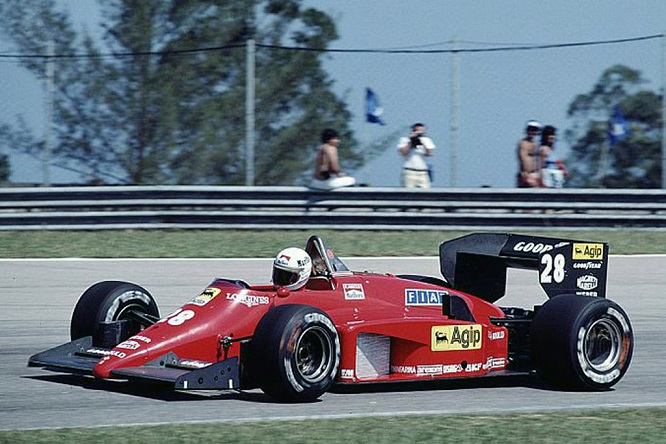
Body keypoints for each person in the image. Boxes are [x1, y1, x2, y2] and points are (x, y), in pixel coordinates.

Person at [397, 123, 435, 188]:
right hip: (409, 172)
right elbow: (403, 153)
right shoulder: (405, 140)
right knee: (408, 194)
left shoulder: (427, 140)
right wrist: (411, 142)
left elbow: (429, 153)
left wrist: (422, 142)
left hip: (423, 173)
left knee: (426, 193)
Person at [516, 120, 543, 188]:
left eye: (534, 130)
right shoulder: (523, 144)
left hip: (535, 175)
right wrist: (526, 174)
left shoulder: (537, 145)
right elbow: (523, 159)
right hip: (526, 175)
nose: (532, 132)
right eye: (530, 129)